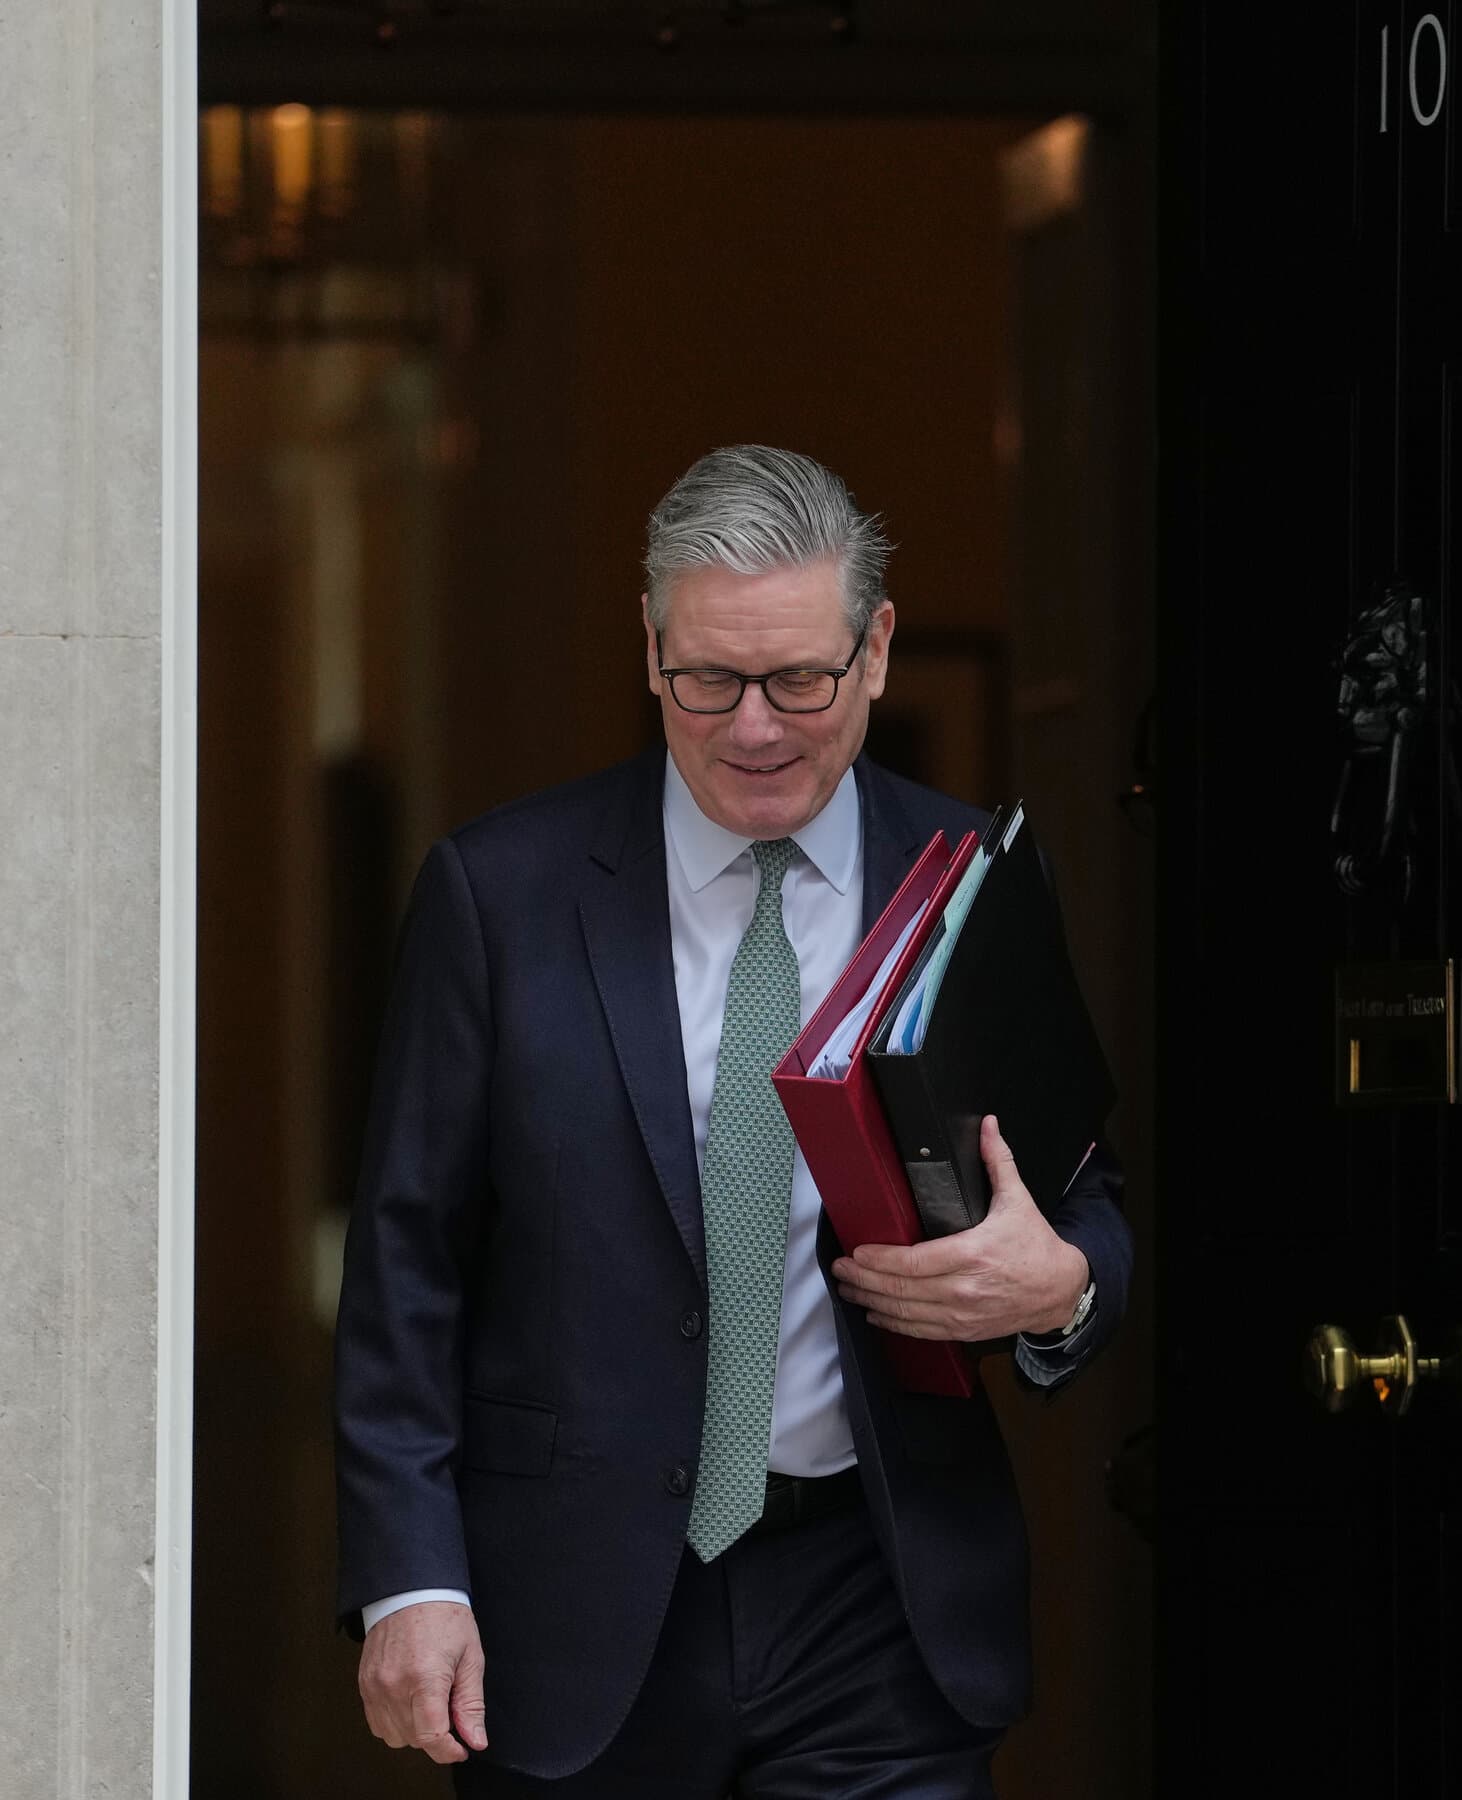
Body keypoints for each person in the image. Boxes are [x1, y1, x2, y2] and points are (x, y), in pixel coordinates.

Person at [334, 445, 1131, 1797]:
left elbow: (1087, 1200)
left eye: (799, 679)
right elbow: (406, 1267)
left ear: (876, 650)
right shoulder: (500, 894)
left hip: (878, 1601)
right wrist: (409, 1576)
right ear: (651, 652)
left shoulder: (969, 883)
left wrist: (1060, 1289)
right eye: (710, 679)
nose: (754, 727)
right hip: (571, 1612)